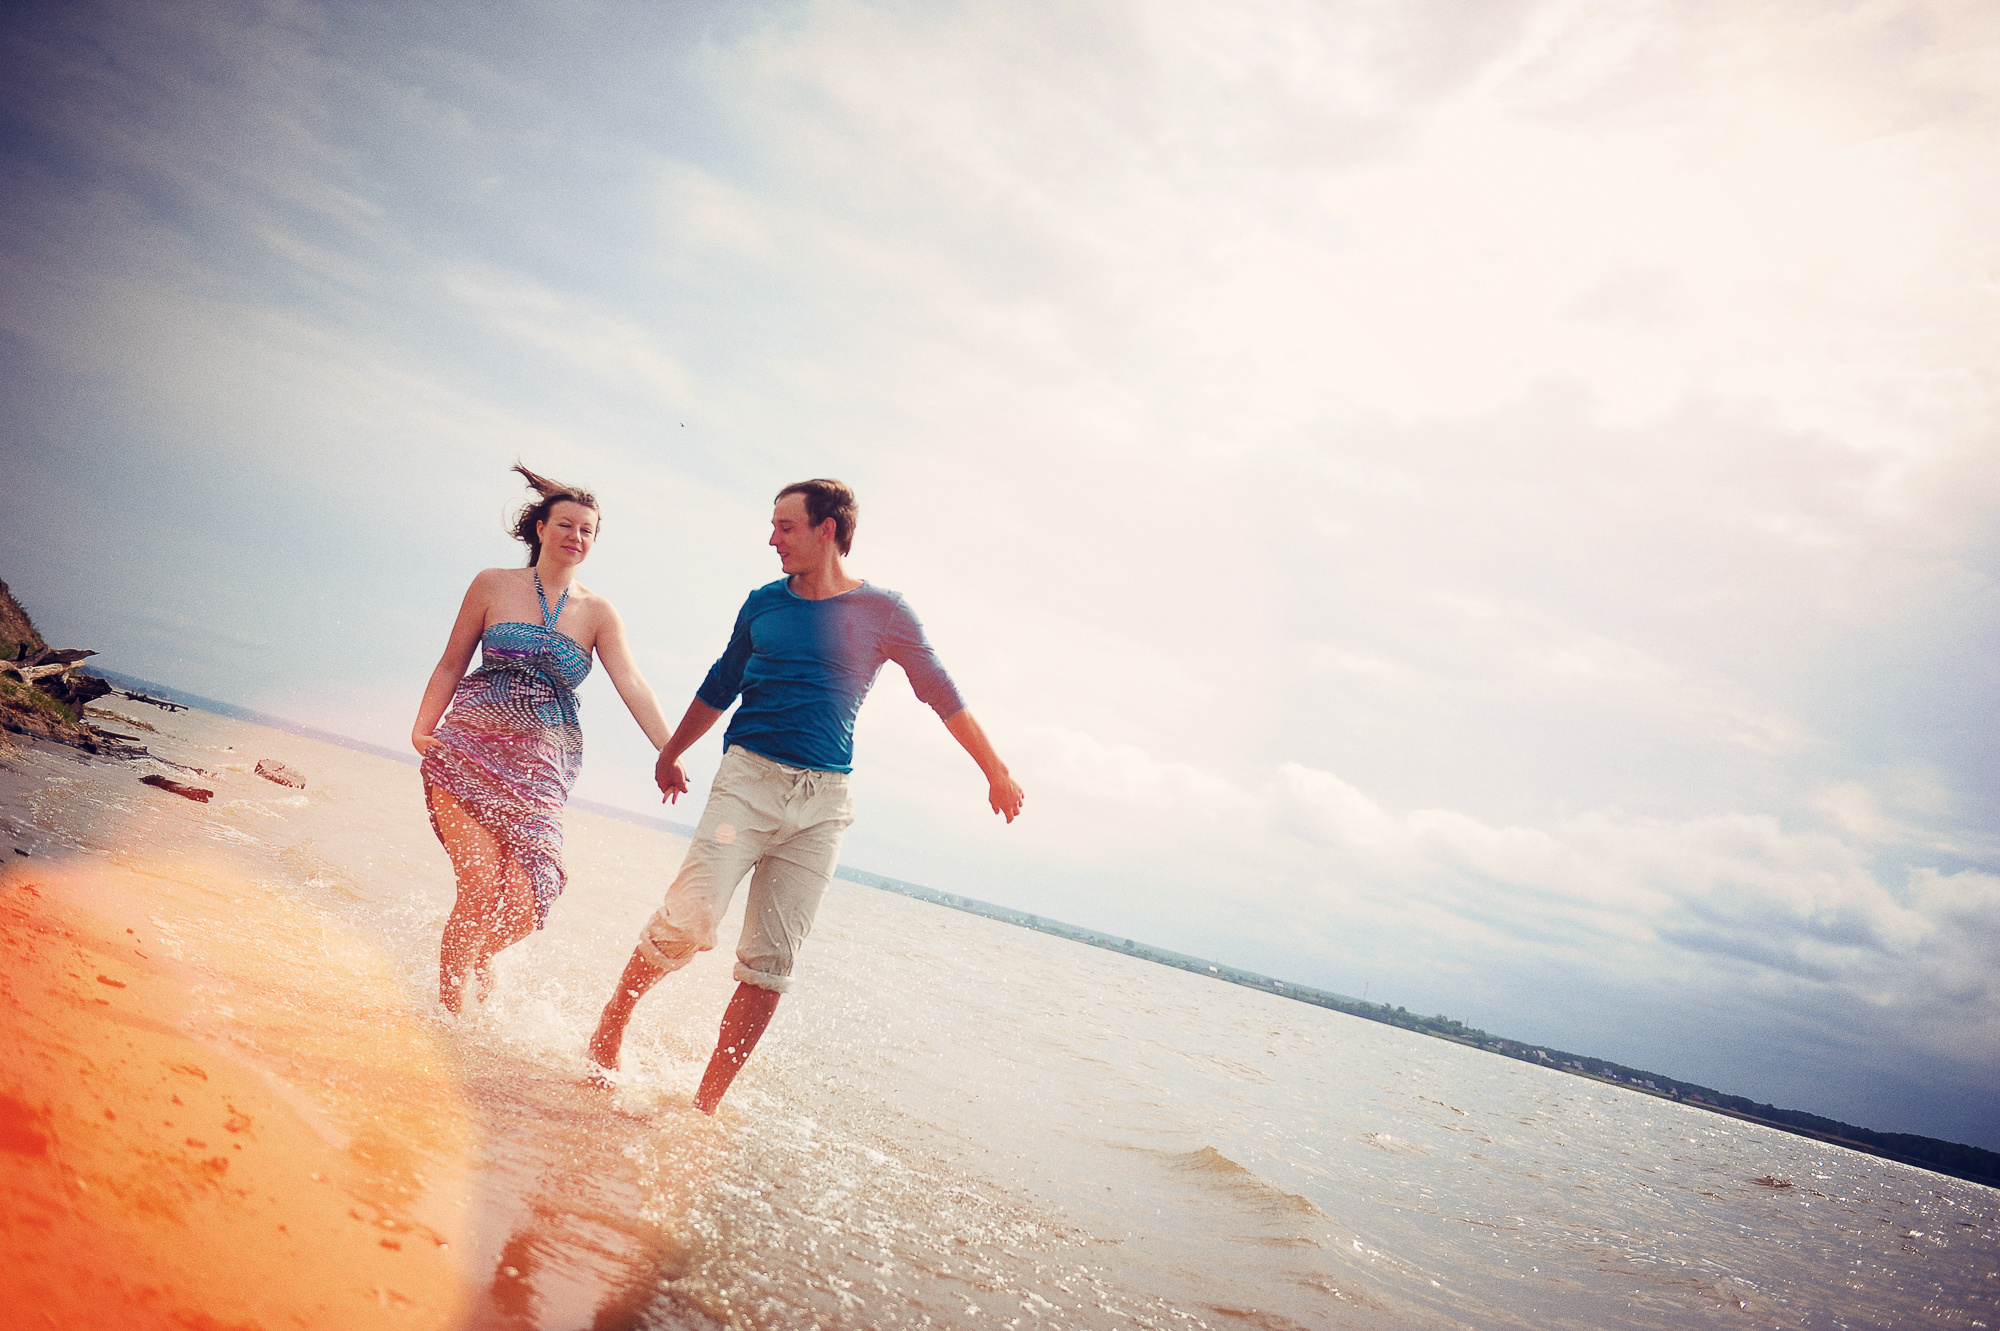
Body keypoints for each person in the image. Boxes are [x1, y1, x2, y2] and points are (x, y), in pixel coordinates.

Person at [587, 478, 1023, 1113]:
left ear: (827, 530)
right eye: (773, 525)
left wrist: (996, 770)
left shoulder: (886, 612)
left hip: (823, 805)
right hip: (748, 783)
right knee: (690, 920)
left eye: (785, 526)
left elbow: (940, 692)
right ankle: (611, 1024)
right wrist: (671, 751)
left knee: (770, 965)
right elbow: (720, 684)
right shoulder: (764, 604)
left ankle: (703, 1106)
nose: (772, 538)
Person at [413, 465, 673, 1013]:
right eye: (566, 525)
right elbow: (451, 661)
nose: (575, 537)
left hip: (541, 771)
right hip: (468, 750)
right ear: (540, 528)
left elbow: (632, 684)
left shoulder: (598, 612)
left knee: (532, 898)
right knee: (481, 887)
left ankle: (477, 960)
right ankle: (449, 1018)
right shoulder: (492, 584)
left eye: (587, 530)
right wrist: (423, 726)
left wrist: (668, 749)